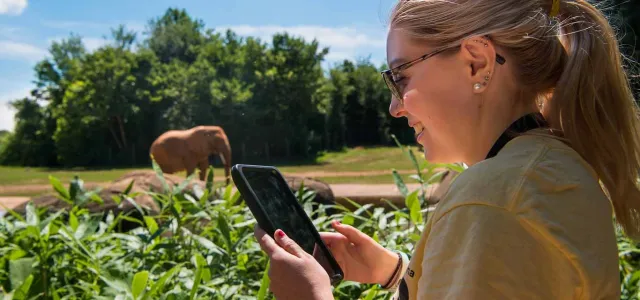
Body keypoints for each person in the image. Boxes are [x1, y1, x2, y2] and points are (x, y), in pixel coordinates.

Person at [253, 0, 640, 298]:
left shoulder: (491, 200)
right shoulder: (551, 167)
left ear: (477, 62)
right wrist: (395, 272)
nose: (395, 107)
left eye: (400, 76)